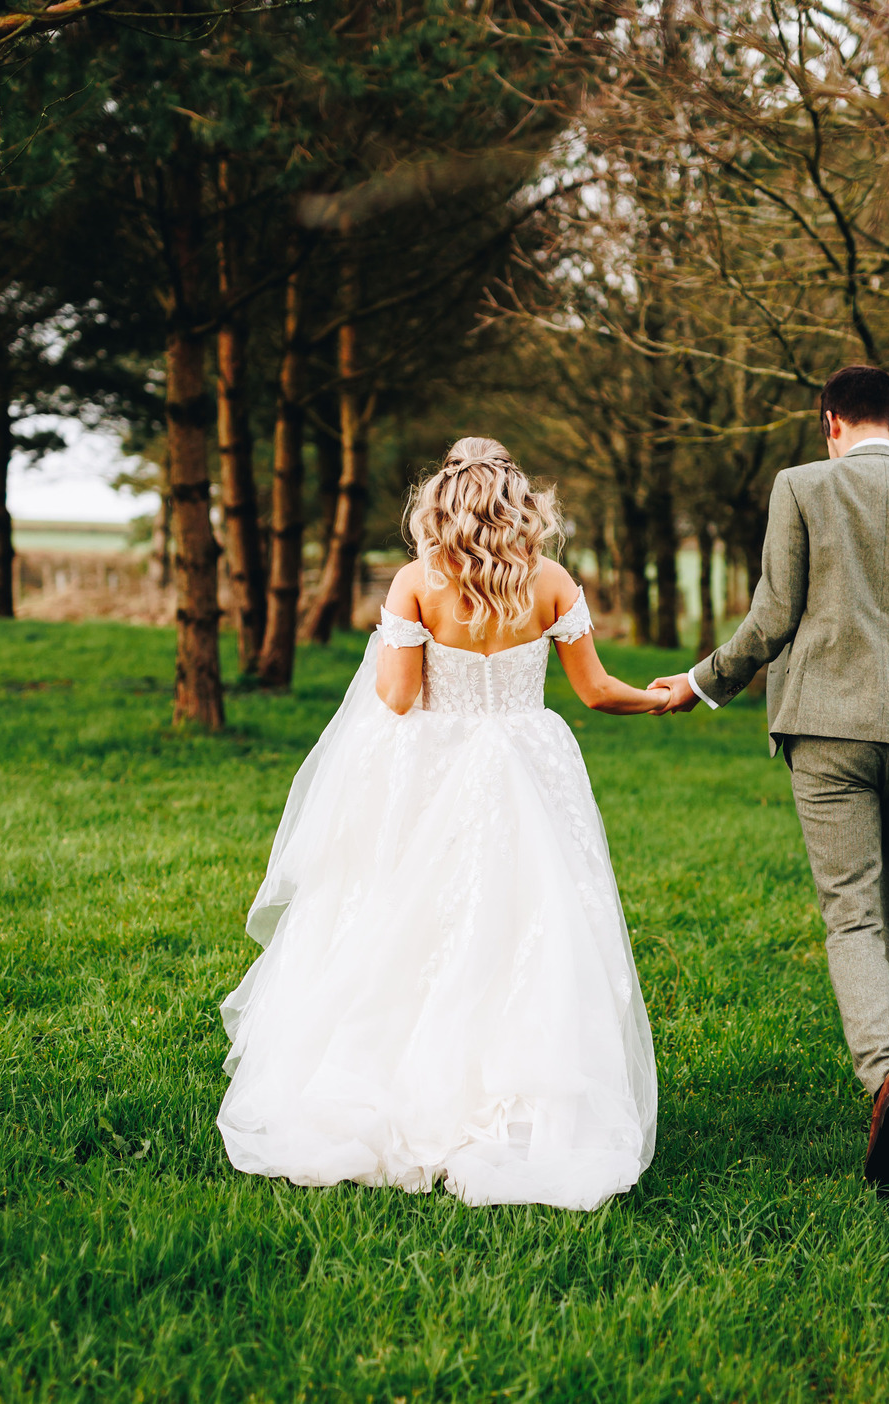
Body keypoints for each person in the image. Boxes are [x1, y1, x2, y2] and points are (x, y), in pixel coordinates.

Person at [217, 437, 665, 1210]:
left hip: (438, 769)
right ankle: (520, 1105)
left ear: (443, 504)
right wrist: (662, 696)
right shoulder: (552, 581)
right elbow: (594, 692)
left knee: (414, 923)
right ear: (518, 505)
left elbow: (394, 697)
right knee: (532, 923)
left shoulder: (416, 584)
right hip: (529, 763)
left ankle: (402, 1088)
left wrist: (401, 633)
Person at [650, 365, 889, 1193]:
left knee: (851, 913)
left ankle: (882, 1074)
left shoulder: (800, 487)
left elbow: (772, 615)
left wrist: (701, 682)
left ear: (827, 424)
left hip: (824, 731)